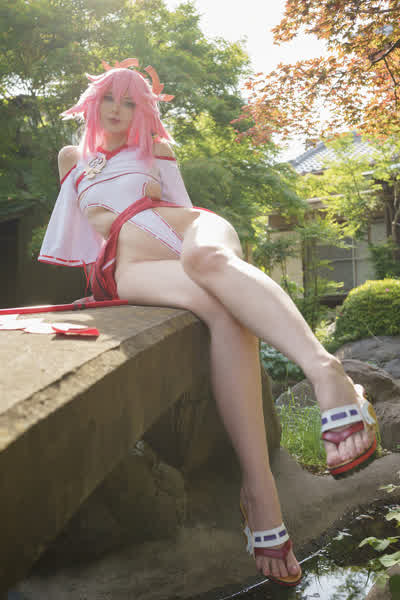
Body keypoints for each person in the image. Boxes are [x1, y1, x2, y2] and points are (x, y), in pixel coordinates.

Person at [39, 58, 379, 587]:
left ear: (143, 111)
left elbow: (179, 205)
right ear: (91, 103)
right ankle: (260, 489)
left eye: (130, 102)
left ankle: (326, 374)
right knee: (222, 307)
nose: (118, 110)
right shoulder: (72, 158)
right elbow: (82, 235)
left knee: (211, 264)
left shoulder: (157, 150)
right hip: (128, 266)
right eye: (109, 98)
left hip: (190, 231)